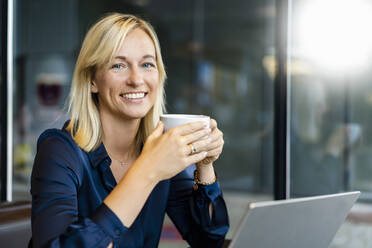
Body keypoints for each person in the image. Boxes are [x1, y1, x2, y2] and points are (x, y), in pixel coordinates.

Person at [30, 13, 229, 248]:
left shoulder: (156, 148)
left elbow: (209, 240)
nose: (136, 79)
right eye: (118, 65)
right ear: (92, 80)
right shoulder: (60, 151)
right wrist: (148, 171)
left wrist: (204, 164)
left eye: (147, 64)